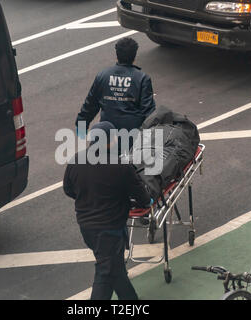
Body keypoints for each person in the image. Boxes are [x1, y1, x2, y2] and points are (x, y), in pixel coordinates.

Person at [63, 121, 152, 300]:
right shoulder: (121, 166)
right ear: (110, 141)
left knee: (114, 269)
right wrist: (147, 201)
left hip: (87, 228)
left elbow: (69, 190)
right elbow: (142, 198)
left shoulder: (75, 161)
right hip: (110, 229)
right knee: (106, 273)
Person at [75, 37, 156, 150]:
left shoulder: (103, 75)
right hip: (131, 137)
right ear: (134, 56)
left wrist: (81, 124)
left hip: (106, 134)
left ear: (116, 55)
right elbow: (149, 112)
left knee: (99, 163)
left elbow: (90, 105)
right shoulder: (142, 78)